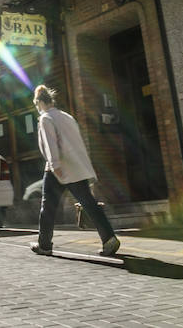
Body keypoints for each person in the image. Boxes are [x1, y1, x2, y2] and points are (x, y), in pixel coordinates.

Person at [30, 84, 120, 258]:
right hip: (76, 168)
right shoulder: (67, 117)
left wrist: (55, 167)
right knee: (90, 204)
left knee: (47, 207)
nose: (37, 108)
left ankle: (45, 245)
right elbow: (78, 145)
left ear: (40, 102)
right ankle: (109, 239)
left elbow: (51, 146)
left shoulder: (46, 118)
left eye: (36, 104)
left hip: (57, 169)